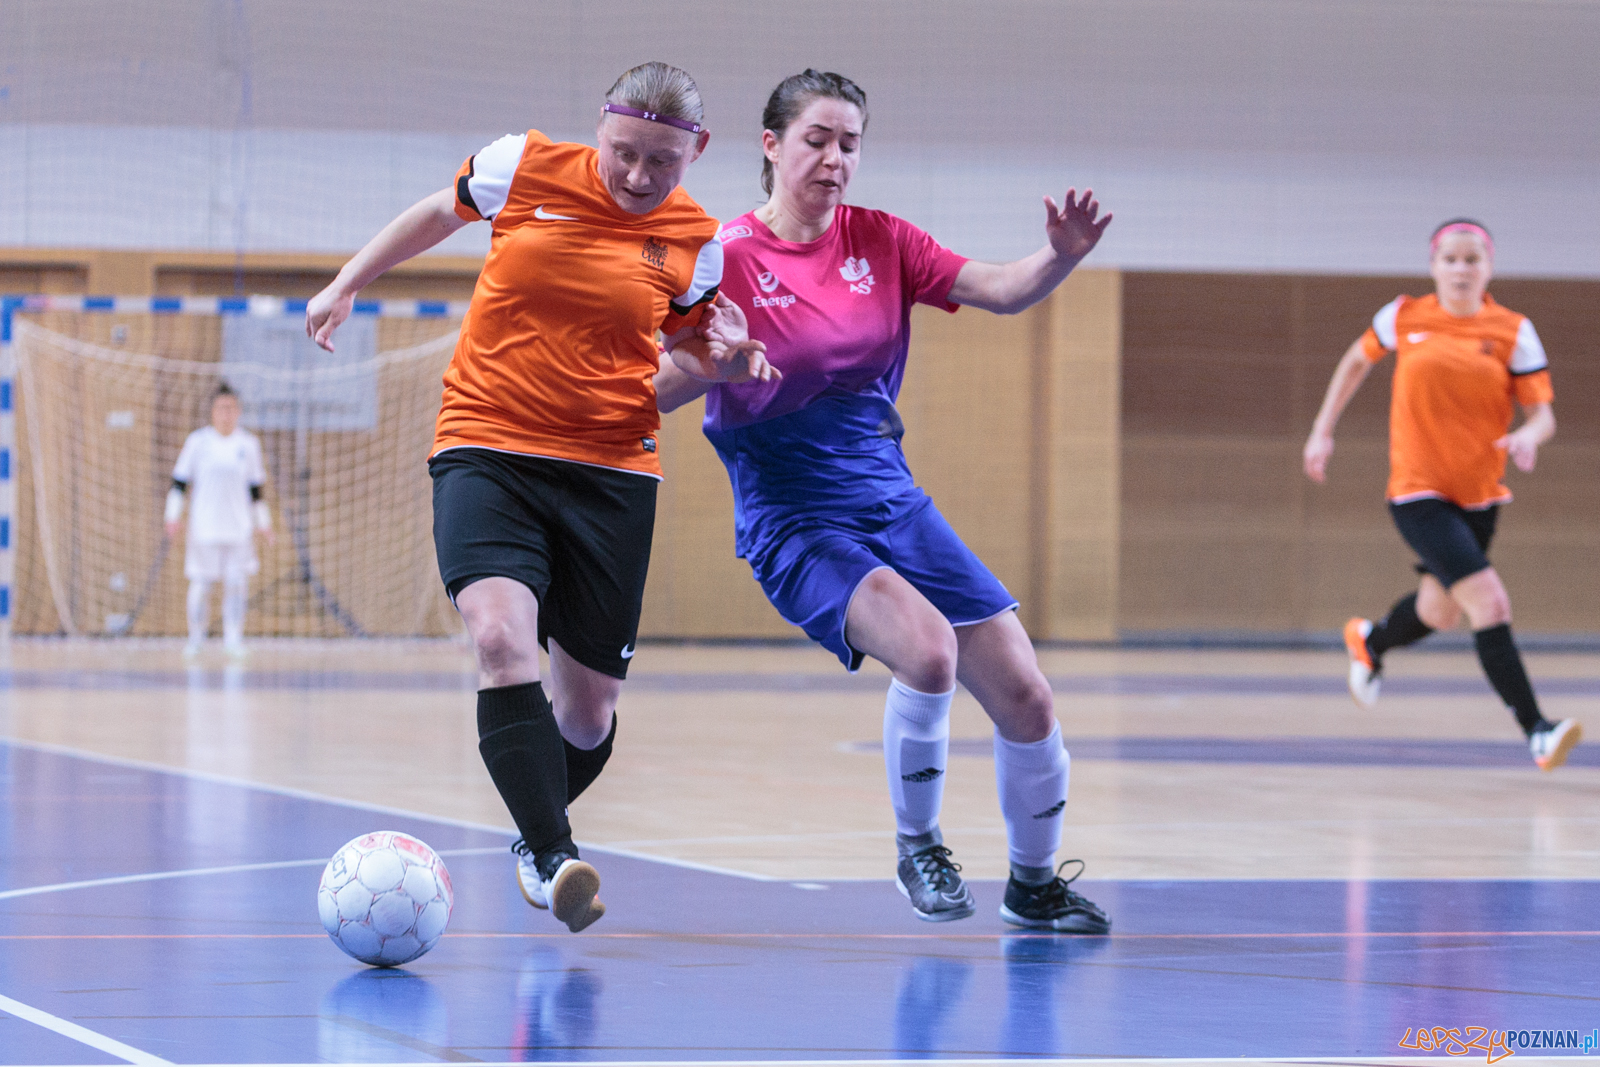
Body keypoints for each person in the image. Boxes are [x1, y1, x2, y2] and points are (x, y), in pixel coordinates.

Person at [305, 62, 773, 933]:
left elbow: (688, 354)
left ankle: (532, 835)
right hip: (487, 444)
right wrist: (348, 281)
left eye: (662, 162)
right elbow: (435, 212)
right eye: (624, 151)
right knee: (497, 636)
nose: (638, 175)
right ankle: (556, 855)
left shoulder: (696, 242)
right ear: (600, 126)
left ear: (698, 150)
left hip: (611, 473)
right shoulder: (523, 164)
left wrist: (726, 361)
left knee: (588, 718)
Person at [656, 70, 1113, 932]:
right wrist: (713, 362)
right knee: (928, 651)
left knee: (1027, 694)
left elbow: (1001, 288)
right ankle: (919, 848)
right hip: (794, 516)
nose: (835, 159)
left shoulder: (884, 240)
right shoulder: (722, 258)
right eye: (817, 140)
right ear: (771, 145)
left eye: (850, 143)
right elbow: (653, 390)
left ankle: (1034, 884)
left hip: (891, 498)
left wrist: (1060, 254)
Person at [1303, 218, 1581, 771]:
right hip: (1417, 492)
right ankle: (1538, 729)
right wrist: (1322, 429)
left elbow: (1542, 416)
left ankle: (1371, 643)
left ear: (1489, 268)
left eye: (1471, 259)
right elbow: (1356, 361)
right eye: (1449, 259)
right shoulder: (1403, 316)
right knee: (1489, 603)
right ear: (1433, 266)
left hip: (1480, 497)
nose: (1460, 269)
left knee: (1439, 611)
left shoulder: (1513, 331)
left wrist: (1528, 437)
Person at [165, 383, 274, 657]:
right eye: (221, 408)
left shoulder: (248, 445)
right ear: (213, 411)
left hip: (239, 528)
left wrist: (263, 523)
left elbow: (256, 490)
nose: (226, 413)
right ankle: (196, 639)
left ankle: (233, 640)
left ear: (238, 411)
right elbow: (179, 483)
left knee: (236, 584)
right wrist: (172, 517)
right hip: (205, 527)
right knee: (201, 585)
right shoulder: (198, 442)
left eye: (231, 408)